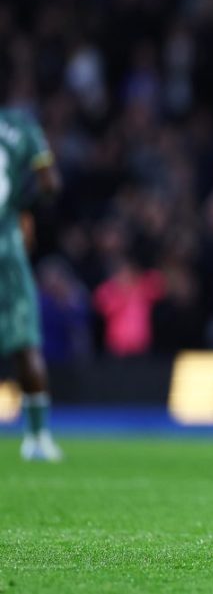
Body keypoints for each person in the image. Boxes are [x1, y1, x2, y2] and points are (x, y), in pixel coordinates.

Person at [0, 104, 63, 461]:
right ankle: (38, 437)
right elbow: (50, 183)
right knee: (26, 343)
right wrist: (21, 208)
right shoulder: (21, 126)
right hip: (5, 245)